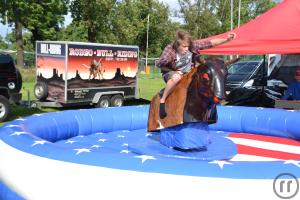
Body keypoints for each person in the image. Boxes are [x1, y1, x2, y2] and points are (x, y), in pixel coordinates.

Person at [156, 30, 236, 118]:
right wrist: (174, 70)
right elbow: (160, 64)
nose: (186, 49)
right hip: (171, 72)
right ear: (177, 45)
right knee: (176, 77)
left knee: (204, 78)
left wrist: (226, 40)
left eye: (188, 46)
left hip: (189, 73)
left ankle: (211, 104)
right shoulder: (170, 49)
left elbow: (210, 43)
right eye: (184, 46)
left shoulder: (192, 46)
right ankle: (163, 101)